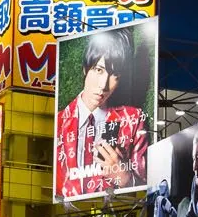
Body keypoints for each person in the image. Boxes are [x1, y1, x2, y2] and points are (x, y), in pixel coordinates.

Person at [55, 27, 147, 199]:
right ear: (85, 68)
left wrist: (126, 179)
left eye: (115, 75)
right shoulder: (58, 123)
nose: (103, 85)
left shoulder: (133, 120)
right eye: (98, 70)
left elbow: (147, 193)